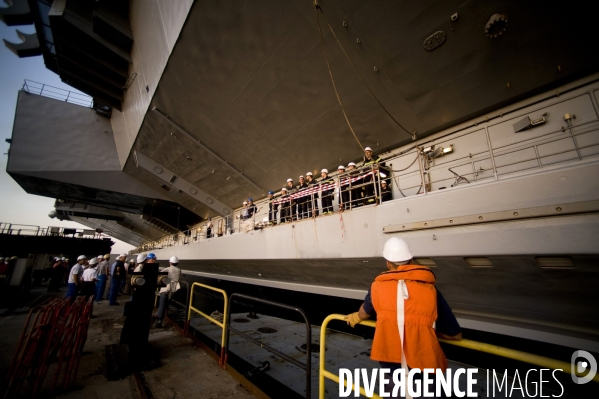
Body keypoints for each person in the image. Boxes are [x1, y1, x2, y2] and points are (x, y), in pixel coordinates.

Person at [344, 237, 462, 396]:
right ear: (411, 260)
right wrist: (427, 330)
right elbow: (455, 335)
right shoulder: (430, 290)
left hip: (392, 368)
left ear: (387, 263)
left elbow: (364, 312)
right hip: (426, 370)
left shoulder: (377, 287)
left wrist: (357, 317)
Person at [155, 256, 181, 328]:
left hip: (166, 287)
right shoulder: (179, 270)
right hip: (174, 288)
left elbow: (160, 274)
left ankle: (159, 321)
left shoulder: (168, 269)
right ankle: (160, 314)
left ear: (170, 262)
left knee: (162, 304)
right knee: (166, 303)